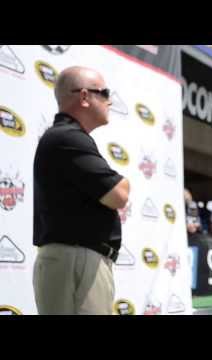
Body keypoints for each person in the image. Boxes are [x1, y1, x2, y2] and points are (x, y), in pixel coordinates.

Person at [33, 66, 130, 315]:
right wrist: (123, 182)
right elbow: (119, 194)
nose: (109, 100)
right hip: (76, 262)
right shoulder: (69, 138)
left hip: (75, 260)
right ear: (84, 96)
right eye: (104, 93)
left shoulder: (68, 138)